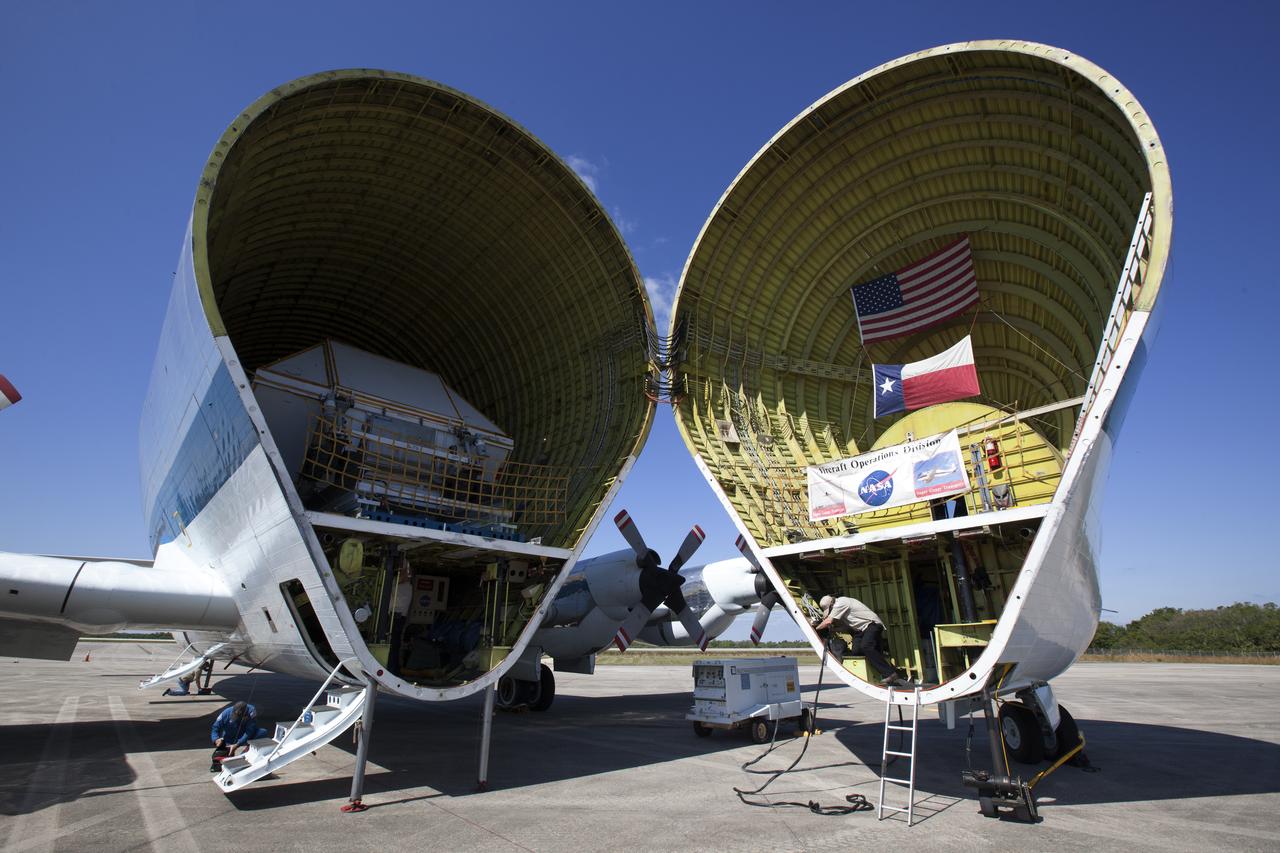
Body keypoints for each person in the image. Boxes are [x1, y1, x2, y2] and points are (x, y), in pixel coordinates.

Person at [812, 594, 908, 686]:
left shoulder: (840, 603)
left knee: (866, 646)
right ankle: (879, 658)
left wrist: (816, 628)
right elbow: (847, 628)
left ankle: (890, 674)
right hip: (861, 630)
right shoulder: (842, 607)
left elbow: (828, 621)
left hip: (872, 625)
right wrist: (833, 629)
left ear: (831, 605)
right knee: (856, 651)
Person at [209, 700, 270, 772]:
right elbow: (215, 727)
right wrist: (216, 739)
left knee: (262, 732)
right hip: (230, 735)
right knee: (221, 755)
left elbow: (249, 731)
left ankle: (245, 755)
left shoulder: (251, 711)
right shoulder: (225, 714)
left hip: (244, 734)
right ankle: (227, 755)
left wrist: (238, 744)